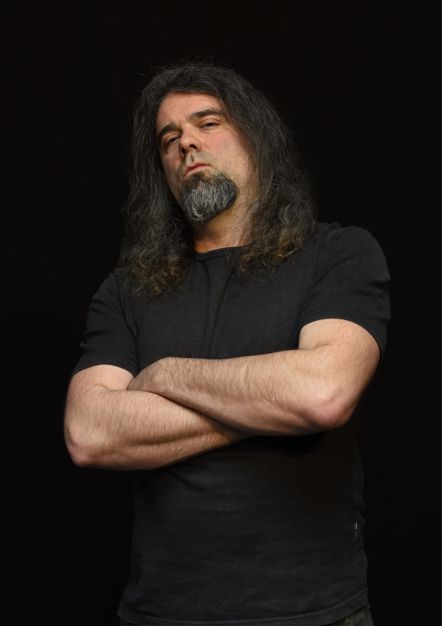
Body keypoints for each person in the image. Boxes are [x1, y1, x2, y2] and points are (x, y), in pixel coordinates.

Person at [64, 61, 390, 626]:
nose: (186, 143)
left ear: (256, 137)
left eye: (207, 122)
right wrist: (274, 408)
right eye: (169, 138)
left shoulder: (337, 255)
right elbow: (89, 433)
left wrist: (165, 375)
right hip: (160, 613)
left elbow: (322, 394)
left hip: (312, 613)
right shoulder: (127, 289)